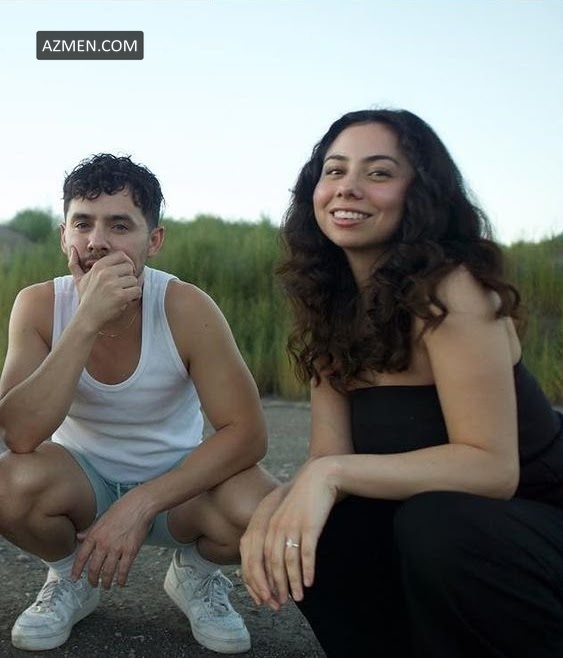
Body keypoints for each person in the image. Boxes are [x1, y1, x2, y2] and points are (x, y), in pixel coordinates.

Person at [240, 109, 563, 658]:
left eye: (379, 173)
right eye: (334, 170)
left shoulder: (452, 291)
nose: (348, 187)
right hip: (447, 530)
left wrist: (328, 475)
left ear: (420, 194)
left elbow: (492, 468)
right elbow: (330, 457)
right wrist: (270, 513)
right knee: (321, 529)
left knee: (434, 523)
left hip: (535, 524)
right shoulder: (331, 306)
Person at [0, 153, 276, 653]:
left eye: (119, 225)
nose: (97, 241)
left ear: (154, 240)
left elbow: (247, 434)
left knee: (263, 507)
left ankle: (195, 575)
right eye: (82, 223)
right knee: (6, 484)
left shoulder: (186, 306)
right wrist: (85, 320)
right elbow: (18, 434)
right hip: (81, 484)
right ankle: (70, 575)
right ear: (64, 236)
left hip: (178, 490)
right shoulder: (39, 305)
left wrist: (141, 502)